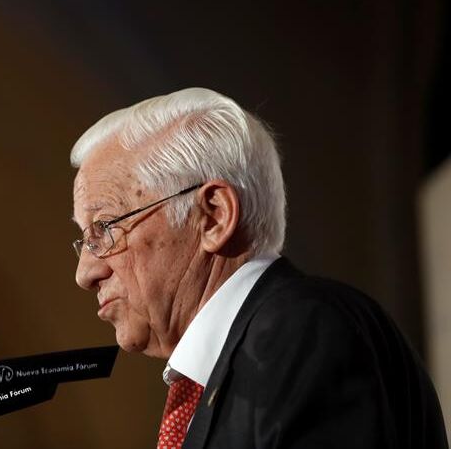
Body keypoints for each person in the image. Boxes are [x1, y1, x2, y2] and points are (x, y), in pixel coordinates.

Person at [70, 87, 447, 449]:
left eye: (104, 228)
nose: (85, 273)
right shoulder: (234, 366)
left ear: (213, 217)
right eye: (84, 239)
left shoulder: (302, 331)